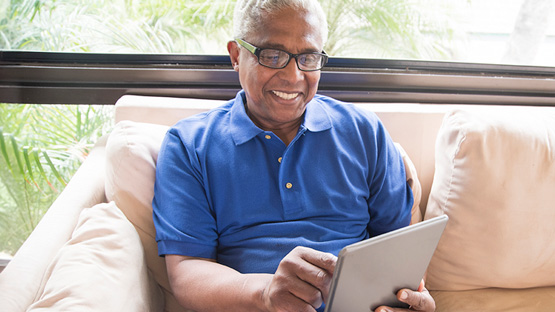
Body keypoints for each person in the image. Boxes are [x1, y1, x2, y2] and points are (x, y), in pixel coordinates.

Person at [152, 0, 436, 311]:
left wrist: (408, 298)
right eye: (272, 56)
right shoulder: (189, 145)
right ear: (236, 55)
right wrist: (264, 293)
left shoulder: (364, 131)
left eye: (308, 58)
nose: (293, 76)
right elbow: (186, 271)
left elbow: (400, 249)